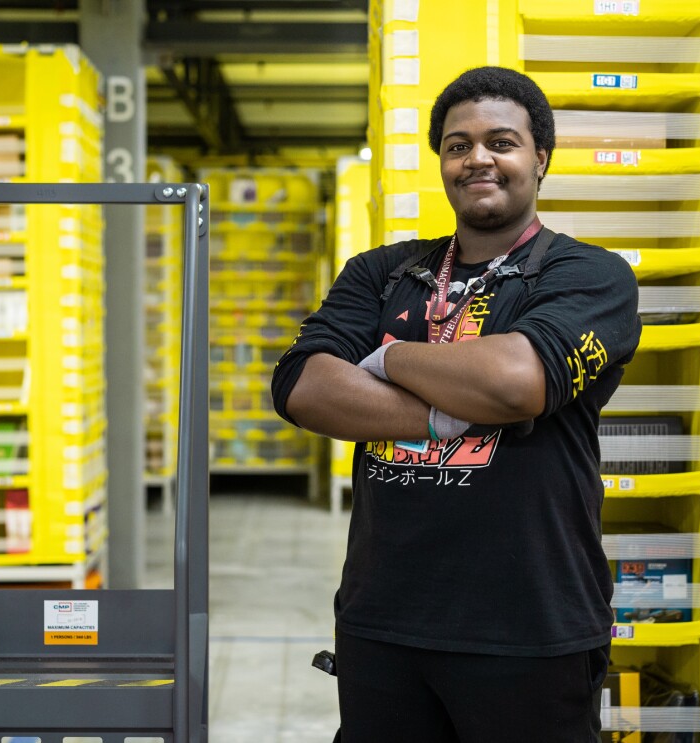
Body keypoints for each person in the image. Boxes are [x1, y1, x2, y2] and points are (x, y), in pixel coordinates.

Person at [270, 66, 642, 742]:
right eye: (457, 144)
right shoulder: (380, 271)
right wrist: (444, 410)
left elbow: (513, 383)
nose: (478, 159)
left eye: (501, 142)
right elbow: (302, 385)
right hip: (382, 621)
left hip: (530, 626)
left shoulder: (589, 275)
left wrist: (385, 359)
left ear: (540, 159)